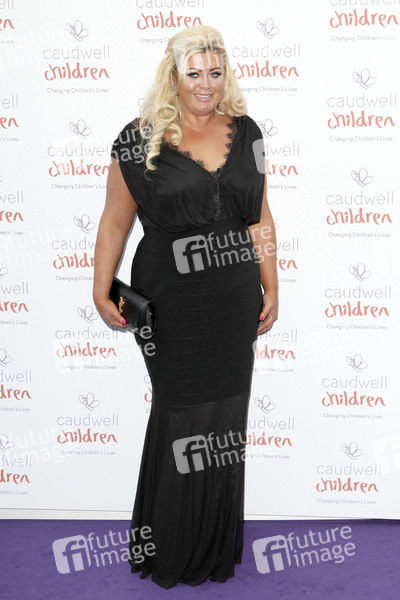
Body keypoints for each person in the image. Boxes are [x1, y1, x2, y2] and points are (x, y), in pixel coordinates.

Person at [93, 24, 278, 588]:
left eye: (215, 73)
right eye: (194, 73)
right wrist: (100, 287)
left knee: (225, 419)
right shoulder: (138, 140)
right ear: (173, 76)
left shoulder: (248, 132)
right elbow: (115, 222)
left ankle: (213, 548)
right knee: (180, 413)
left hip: (233, 294)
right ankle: (170, 548)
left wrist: (272, 283)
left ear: (226, 75)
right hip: (171, 298)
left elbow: (260, 217)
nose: (205, 84)